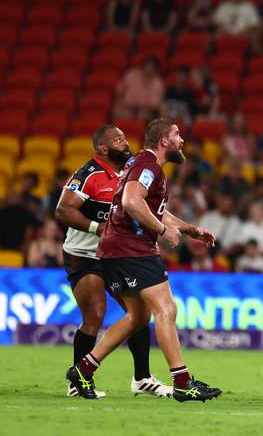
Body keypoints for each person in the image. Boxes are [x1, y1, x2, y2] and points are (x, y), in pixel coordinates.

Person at [66, 118, 222, 402]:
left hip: (115, 249)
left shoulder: (140, 165)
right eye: (177, 134)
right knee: (166, 309)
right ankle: (183, 381)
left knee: (138, 316)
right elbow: (131, 202)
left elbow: (151, 208)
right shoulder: (148, 166)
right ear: (164, 141)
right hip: (132, 248)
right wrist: (164, 232)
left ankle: (83, 369)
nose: (182, 140)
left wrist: (191, 230)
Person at [57, 125, 171, 398]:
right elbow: (63, 209)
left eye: (124, 137)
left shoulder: (130, 171)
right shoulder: (89, 174)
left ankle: (142, 379)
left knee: (140, 315)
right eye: (118, 140)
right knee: (95, 315)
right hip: (83, 255)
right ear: (102, 149)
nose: (125, 142)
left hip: (115, 254)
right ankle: (78, 381)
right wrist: (99, 228)